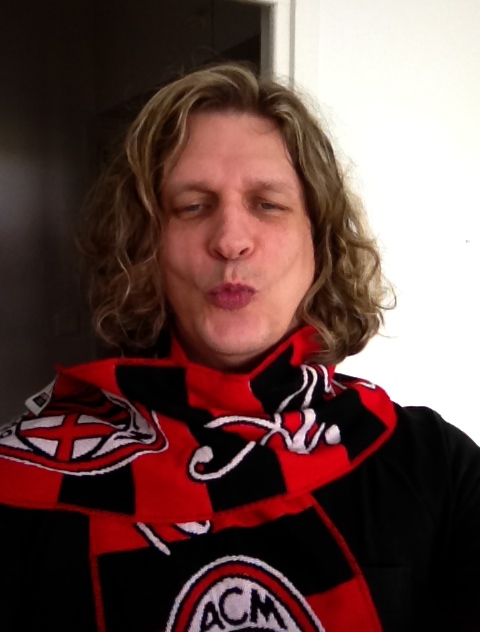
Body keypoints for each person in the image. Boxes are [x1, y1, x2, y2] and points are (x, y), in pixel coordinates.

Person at [0, 63, 479, 632]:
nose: (230, 240)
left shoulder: (437, 468)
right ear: (146, 244)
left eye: (268, 203)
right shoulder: (20, 486)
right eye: (192, 206)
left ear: (319, 242)